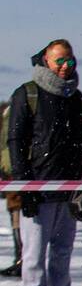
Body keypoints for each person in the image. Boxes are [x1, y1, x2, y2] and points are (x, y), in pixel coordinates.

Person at [6, 39, 82, 286]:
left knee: (62, 251)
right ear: (46, 61)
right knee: (33, 251)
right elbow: (16, 141)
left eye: (70, 61)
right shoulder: (27, 94)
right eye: (60, 62)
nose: (66, 67)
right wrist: (24, 187)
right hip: (38, 189)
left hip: (68, 190)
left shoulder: (76, 98)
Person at [0, 105, 23, 277]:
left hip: (14, 171)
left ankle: (21, 259)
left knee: (18, 212)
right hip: (11, 170)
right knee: (15, 211)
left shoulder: (11, 113)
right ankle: (20, 258)